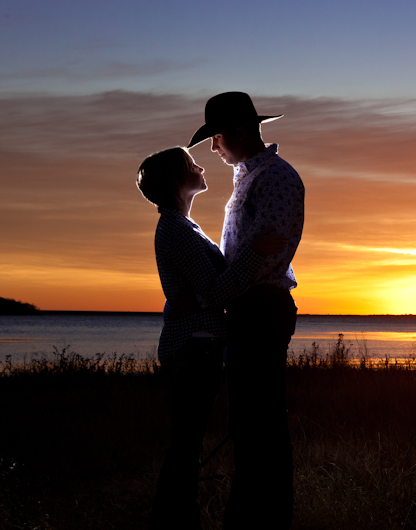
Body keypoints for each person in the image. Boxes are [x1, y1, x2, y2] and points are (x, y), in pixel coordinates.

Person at [136, 146, 286, 529]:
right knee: (186, 445)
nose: (200, 166)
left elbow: (202, 292)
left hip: (197, 345)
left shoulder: (184, 227)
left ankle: (175, 519)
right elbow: (217, 292)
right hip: (193, 348)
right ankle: (175, 522)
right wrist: (253, 253)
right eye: (190, 165)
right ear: (175, 180)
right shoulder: (176, 230)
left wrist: (197, 299)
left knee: (187, 443)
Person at [187, 92, 304, 530]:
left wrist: (215, 294)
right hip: (248, 311)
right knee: (250, 422)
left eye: (215, 137)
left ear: (237, 131)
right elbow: (247, 253)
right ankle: (254, 516)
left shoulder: (274, 178)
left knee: (262, 425)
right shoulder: (247, 177)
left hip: (261, 309)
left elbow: (261, 257)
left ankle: (262, 519)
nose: (213, 147)